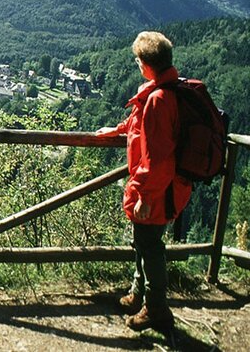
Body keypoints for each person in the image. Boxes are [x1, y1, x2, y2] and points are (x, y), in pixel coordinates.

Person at [96, 31, 192, 332]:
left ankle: (156, 309)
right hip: (166, 187)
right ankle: (139, 295)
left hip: (158, 191)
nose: (138, 65)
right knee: (144, 243)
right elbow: (140, 126)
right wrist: (117, 129)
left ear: (146, 65)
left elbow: (158, 159)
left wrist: (144, 197)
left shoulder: (159, 100)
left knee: (150, 247)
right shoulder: (165, 91)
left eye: (138, 60)